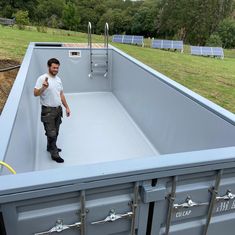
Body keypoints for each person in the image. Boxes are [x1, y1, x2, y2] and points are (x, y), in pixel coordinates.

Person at [34, 58, 70, 163]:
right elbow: (35, 93)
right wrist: (43, 88)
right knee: (51, 133)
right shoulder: (42, 79)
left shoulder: (58, 79)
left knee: (56, 132)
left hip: (58, 110)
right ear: (49, 67)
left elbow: (61, 94)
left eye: (57, 68)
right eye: (54, 67)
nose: (56, 69)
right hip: (48, 111)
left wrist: (67, 107)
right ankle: (54, 154)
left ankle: (50, 147)